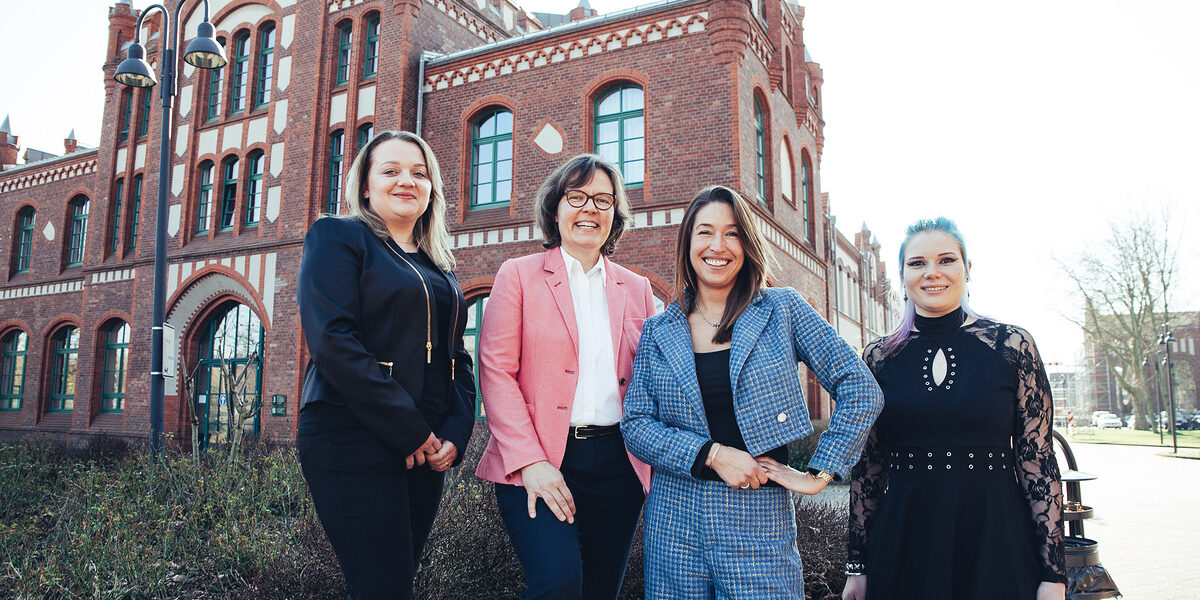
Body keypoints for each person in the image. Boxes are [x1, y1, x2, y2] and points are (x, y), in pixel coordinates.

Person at [620, 185, 884, 599]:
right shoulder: (659, 329)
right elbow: (636, 425)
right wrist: (712, 454)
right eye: (705, 232)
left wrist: (821, 472)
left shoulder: (782, 309)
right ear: (688, 242)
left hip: (758, 523)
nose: (718, 246)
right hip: (673, 526)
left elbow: (861, 388)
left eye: (732, 233)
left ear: (746, 243)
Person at [839, 217, 1066, 600]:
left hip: (995, 540)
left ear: (967, 269)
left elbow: (1038, 460)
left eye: (946, 260)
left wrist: (1054, 574)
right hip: (904, 542)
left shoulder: (1012, 346)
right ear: (902, 276)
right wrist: (857, 568)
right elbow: (869, 467)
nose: (932, 273)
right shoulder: (877, 358)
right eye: (917, 263)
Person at [296, 130, 476, 599]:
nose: (407, 181)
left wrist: (456, 431)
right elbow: (334, 342)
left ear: (432, 187)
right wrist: (409, 427)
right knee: (384, 587)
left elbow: (457, 357)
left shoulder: (440, 265)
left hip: (427, 444)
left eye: (419, 172)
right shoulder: (338, 236)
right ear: (365, 186)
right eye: (391, 171)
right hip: (350, 434)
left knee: (392, 585)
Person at [475, 154, 657, 600]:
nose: (590, 209)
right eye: (577, 197)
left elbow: (655, 379)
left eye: (602, 200)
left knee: (598, 591)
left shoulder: (637, 289)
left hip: (619, 464)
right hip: (539, 458)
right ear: (555, 208)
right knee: (557, 583)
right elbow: (496, 372)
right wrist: (532, 462)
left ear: (615, 215)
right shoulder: (517, 276)